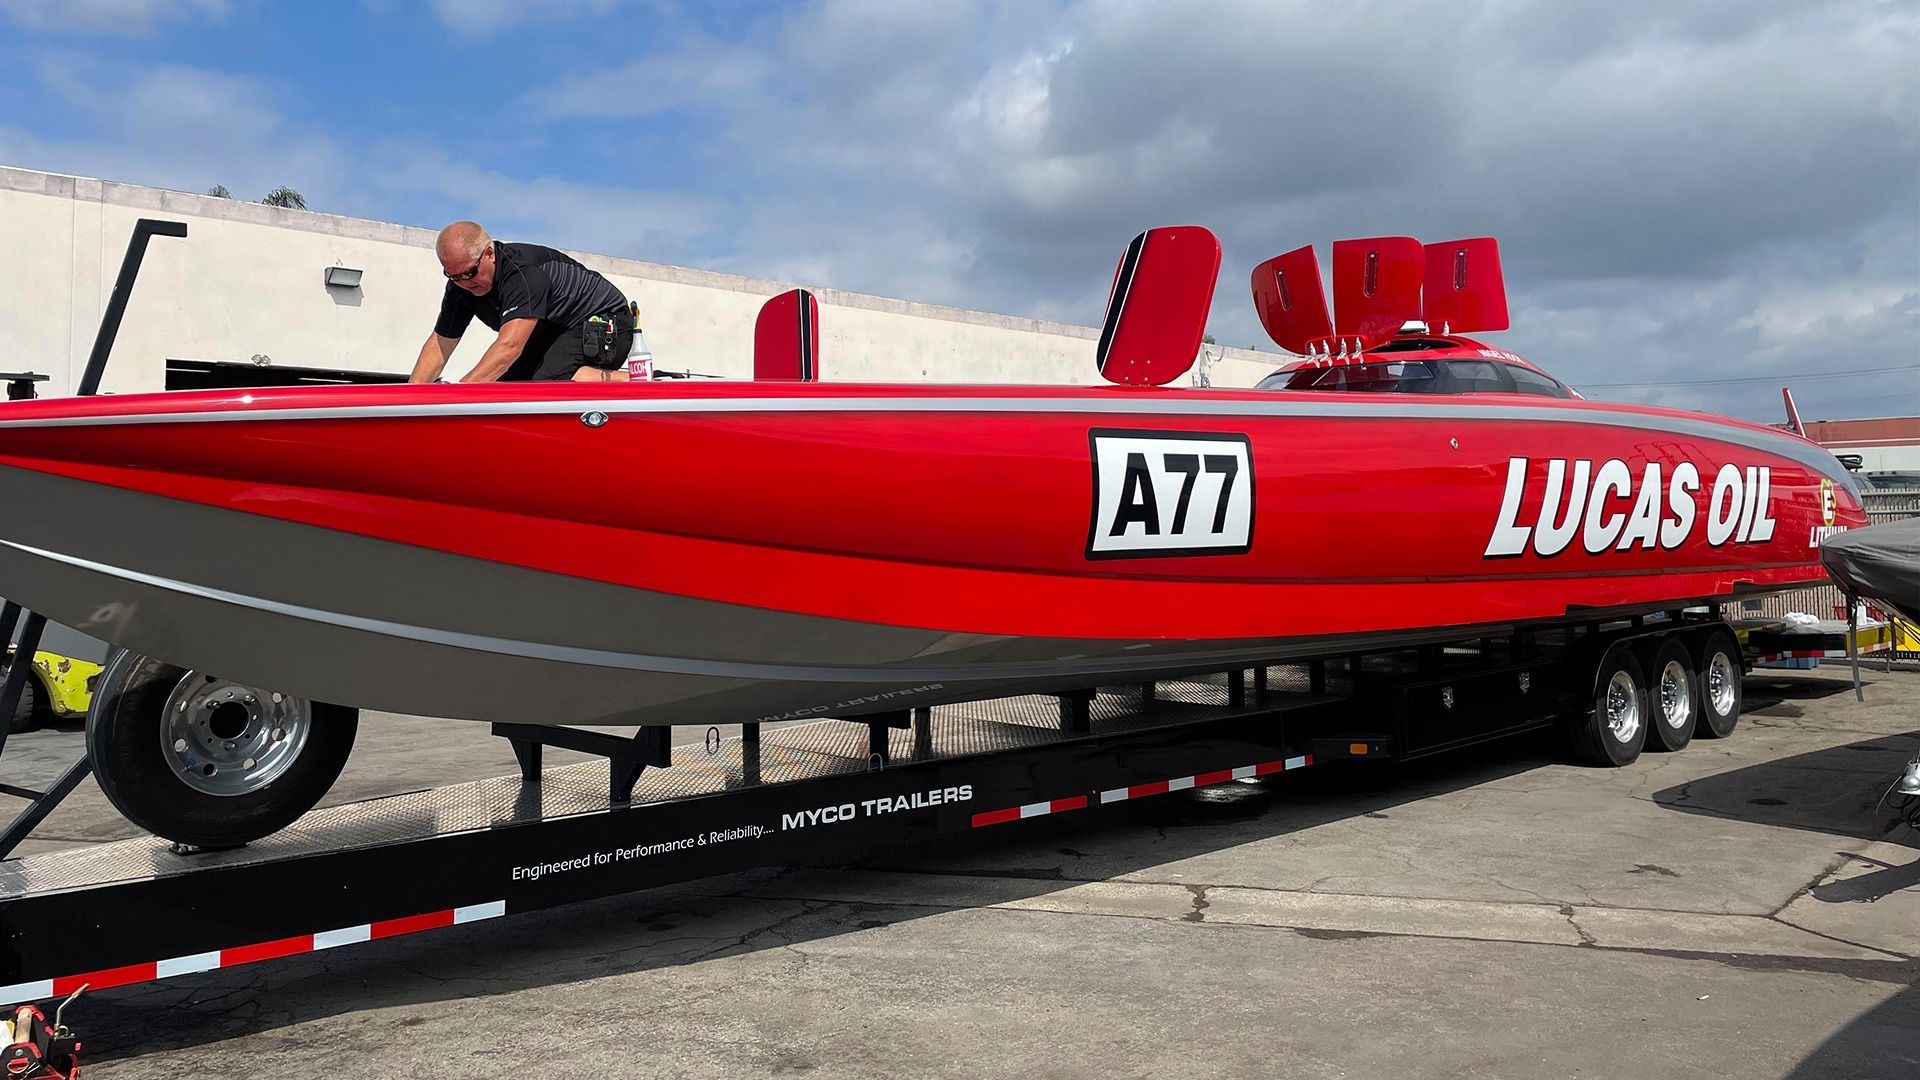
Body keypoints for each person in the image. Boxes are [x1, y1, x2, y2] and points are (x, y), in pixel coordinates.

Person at [410, 221, 636, 383]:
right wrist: (409, 401)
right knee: (505, 386)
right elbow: (439, 346)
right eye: (453, 276)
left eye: (469, 273)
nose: (463, 283)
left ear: (489, 253)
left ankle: (640, 380)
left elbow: (509, 347)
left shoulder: (522, 275)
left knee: (544, 384)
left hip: (606, 322)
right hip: (552, 332)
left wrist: (457, 398)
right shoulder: (460, 287)